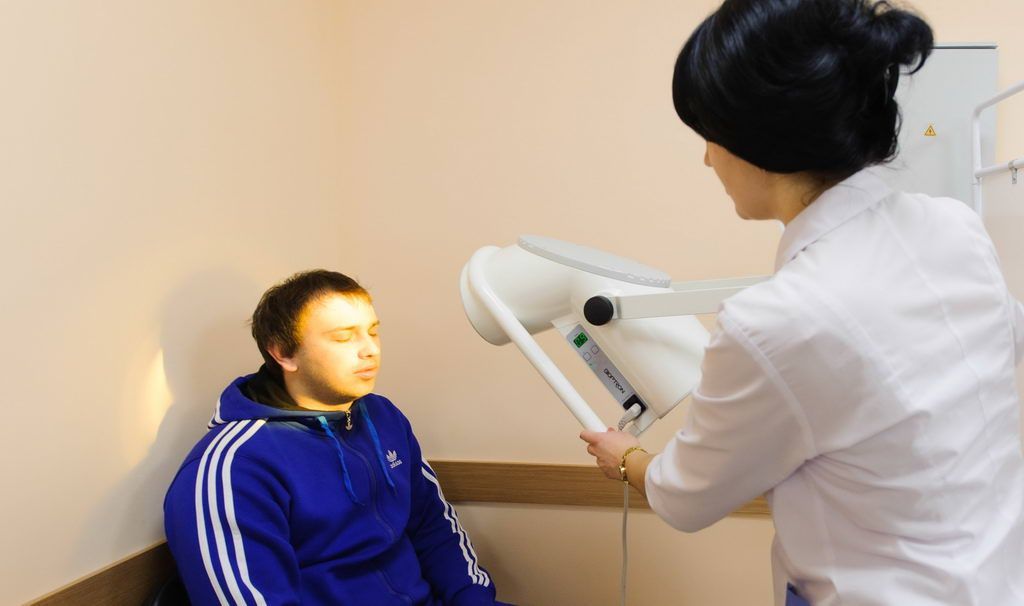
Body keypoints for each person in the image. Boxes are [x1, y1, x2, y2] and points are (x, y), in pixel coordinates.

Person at [581, 1, 1024, 604]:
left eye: (710, 137)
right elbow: (1000, 346)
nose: (707, 158)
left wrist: (627, 456)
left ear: (759, 140)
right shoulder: (955, 226)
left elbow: (684, 499)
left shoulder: (775, 321)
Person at [164, 270, 498, 605]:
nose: (370, 350)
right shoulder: (236, 466)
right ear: (283, 352)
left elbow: (433, 525)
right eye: (343, 338)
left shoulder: (382, 416)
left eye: (373, 332)